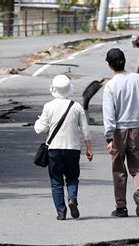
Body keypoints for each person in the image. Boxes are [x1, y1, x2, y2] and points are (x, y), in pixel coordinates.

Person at [102, 48, 139, 218]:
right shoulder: (138, 79)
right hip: (138, 129)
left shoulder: (110, 85)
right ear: (125, 61)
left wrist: (109, 138)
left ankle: (121, 208)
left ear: (110, 65)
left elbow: (109, 114)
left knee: (119, 169)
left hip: (119, 131)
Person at [34, 75, 93, 220]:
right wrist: (89, 149)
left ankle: (61, 212)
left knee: (56, 181)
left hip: (54, 149)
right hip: (73, 149)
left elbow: (40, 129)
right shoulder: (76, 106)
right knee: (72, 177)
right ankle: (72, 197)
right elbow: (85, 130)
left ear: (54, 89)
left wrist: (37, 121)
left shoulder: (48, 106)